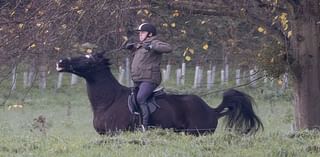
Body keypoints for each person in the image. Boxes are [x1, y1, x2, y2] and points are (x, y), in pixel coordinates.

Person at [125, 23, 172, 130]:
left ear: (150, 34)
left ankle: (144, 126)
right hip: (138, 79)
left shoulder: (154, 42)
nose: (140, 35)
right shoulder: (140, 45)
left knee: (141, 98)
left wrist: (152, 46)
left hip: (149, 78)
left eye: (142, 32)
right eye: (139, 33)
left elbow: (168, 48)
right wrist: (132, 49)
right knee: (132, 99)